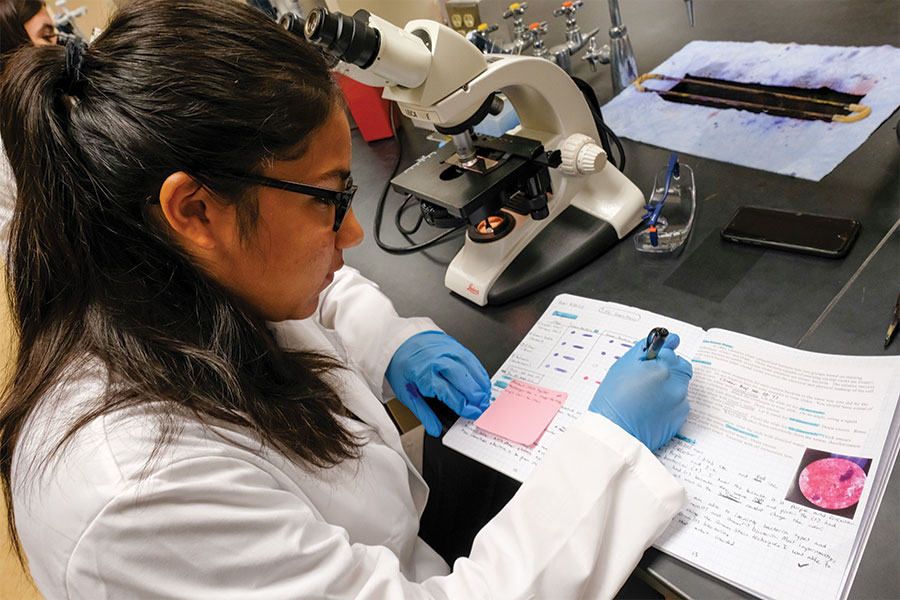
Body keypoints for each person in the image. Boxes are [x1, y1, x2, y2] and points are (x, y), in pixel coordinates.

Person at [0, 0, 693, 597]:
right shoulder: (141, 499)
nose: (355, 231)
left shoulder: (145, 268)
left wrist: (389, 340)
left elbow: (297, 285)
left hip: (390, 532)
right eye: (331, 199)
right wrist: (613, 447)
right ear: (196, 210)